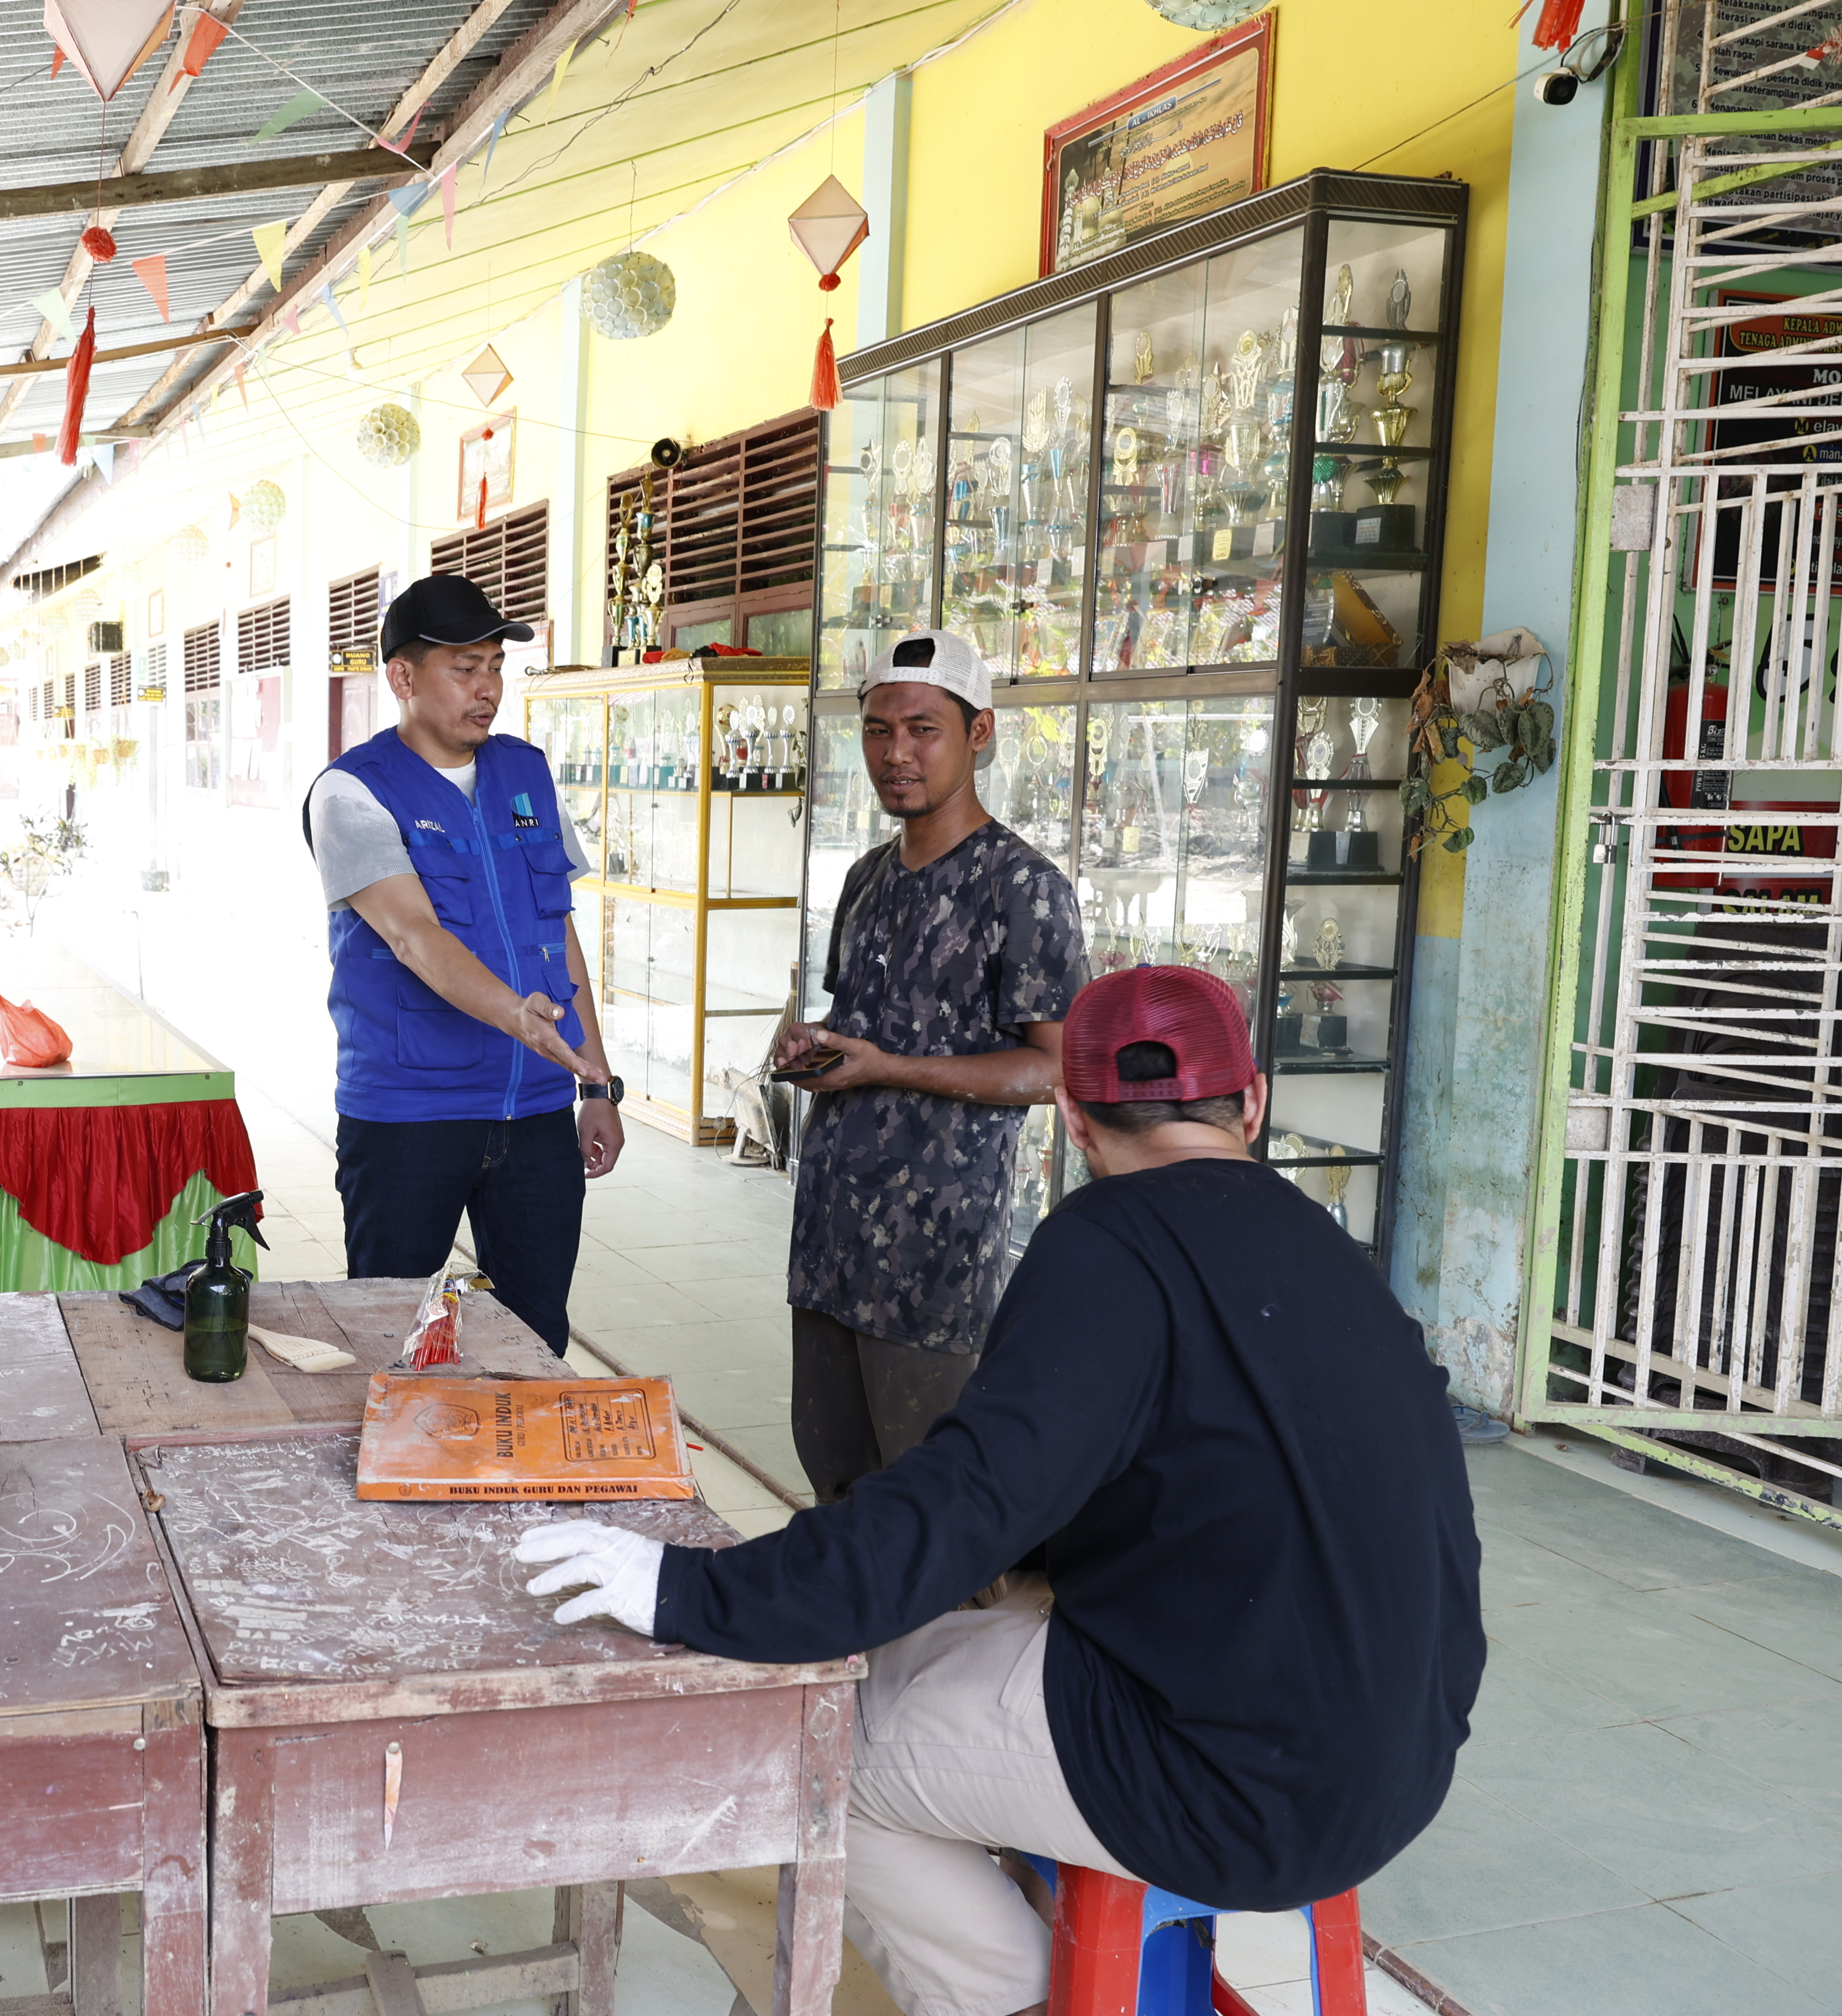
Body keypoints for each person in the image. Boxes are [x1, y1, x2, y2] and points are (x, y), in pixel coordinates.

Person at [516, 963, 1483, 2016]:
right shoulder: (1334, 1253)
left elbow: (965, 1502)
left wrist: (686, 1591)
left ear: (1070, 1118)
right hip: (1403, 1761)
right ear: (1252, 1102)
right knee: (929, 1648)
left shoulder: (1107, 1240)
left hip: (1233, 1788)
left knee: (834, 1743)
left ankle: (1023, 1996)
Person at [770, 628, 1084, 1498]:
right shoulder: (867, 878)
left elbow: (1053, 1070)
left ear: (979, 733)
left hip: (933, 1262)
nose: (895, 754)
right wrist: (812, 1046)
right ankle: (859, 1641)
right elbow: (861, 1025)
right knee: (834, 1476)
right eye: (878, 731)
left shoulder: (1022, 887)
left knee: (932, 1502)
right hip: (832, 1244)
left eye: (922, 729)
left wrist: (889, 1068)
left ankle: (940, 1643)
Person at [303, 573, 624, 1353]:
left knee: (537, 1333)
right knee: (393, 1335)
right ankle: (395, 1477)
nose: (488, 689)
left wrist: (597, 1080)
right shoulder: (351, 792)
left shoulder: (526, 773)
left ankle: (522, 1479)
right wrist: (518, 1015)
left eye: (495, 668)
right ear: (403, 678)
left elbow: (559, 929)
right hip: (411, 1117)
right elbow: (414, 935)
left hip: (535, 1113)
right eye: (465, 669)